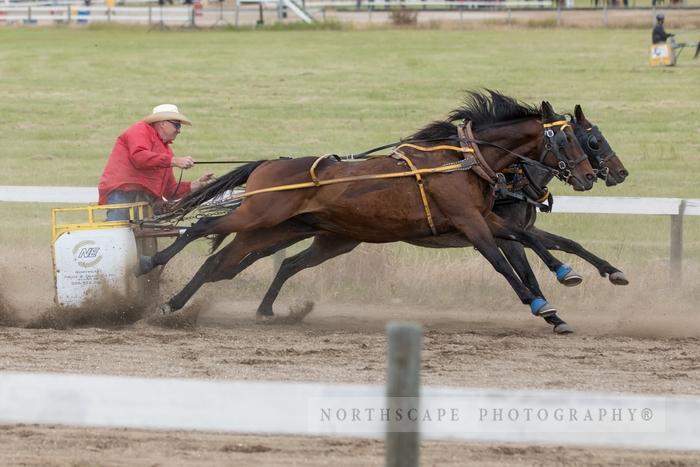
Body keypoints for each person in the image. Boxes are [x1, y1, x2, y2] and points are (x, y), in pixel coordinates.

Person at [98, 104, 216, 221]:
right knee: (119, 229)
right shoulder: (140, 130)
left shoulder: (167, 151)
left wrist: (198, 184)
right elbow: (139, 157)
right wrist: (173, 161)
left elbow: (170, 190)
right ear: (162, 123)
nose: (178, 131)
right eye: (177, 125)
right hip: (123, 190)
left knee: (144, 233)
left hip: (143, 197)